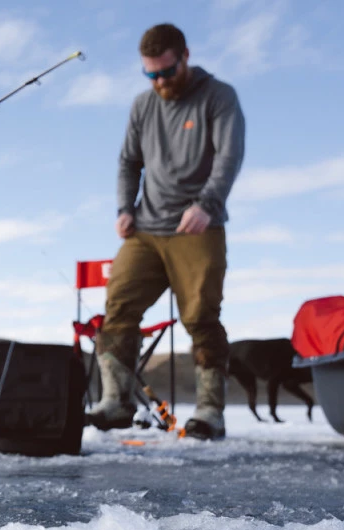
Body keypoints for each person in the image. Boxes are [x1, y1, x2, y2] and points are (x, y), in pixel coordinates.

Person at [86, 23, 246, 440]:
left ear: (185, 57)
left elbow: (229, 157)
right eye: (150, 75)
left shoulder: (219, 96)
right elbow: (128, 162)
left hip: (198, 226)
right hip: (145, 227)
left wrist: (207, 205)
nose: (159, 82)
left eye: (166, 72)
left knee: (200, 317)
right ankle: (116, 402)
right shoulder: (143, 105)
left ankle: (210, 413)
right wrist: (125, 208)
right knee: (118, 306)